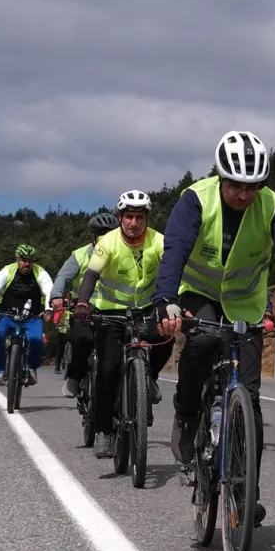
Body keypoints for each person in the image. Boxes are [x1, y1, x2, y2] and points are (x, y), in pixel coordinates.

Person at [155, 130, 275, 525]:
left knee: (249, 397)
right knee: (201, 343)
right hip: (198, 294)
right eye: (235, 185)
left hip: (246, 302)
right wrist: (165, 298)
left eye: (252, 187)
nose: (243, 194)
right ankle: (186, 413)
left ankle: (246, 492)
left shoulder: (274, 207)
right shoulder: (196, 199)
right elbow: (175, 249)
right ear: (220, 176)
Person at [71, 190, 175, 458]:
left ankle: (149, 378)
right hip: (110, 312)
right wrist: (82, 303)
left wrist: (175, 303)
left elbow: (174, 270)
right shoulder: (107, 242)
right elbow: (91, 274)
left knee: (166, 336)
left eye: (139, 217)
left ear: (146, 218)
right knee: (107, 371)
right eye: (129, 217)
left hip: (147, 309)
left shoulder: (159, 241)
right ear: (120, 218)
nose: (134, 223)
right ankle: (104, 432)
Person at [51, 212, 119, 398]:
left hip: (114, 308)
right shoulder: (80, 255)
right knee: (84, 339)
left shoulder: (123, 253)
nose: (105, 237)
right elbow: (63, 276)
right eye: (101, 233)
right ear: (94, 235)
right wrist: (56, 295)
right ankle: (74, 376)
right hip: (84, 309)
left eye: (109, 232)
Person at [0, 244, 53, 386]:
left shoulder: (40, 272)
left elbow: (49, 290)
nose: (26, 263)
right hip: (7, 314)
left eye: (30, 260)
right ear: (17, 260)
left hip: (32, 316)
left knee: (36, 340)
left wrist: (48, 309)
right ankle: (0, 371)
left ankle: (31, 369)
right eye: (23, 260)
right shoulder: (8, 270)